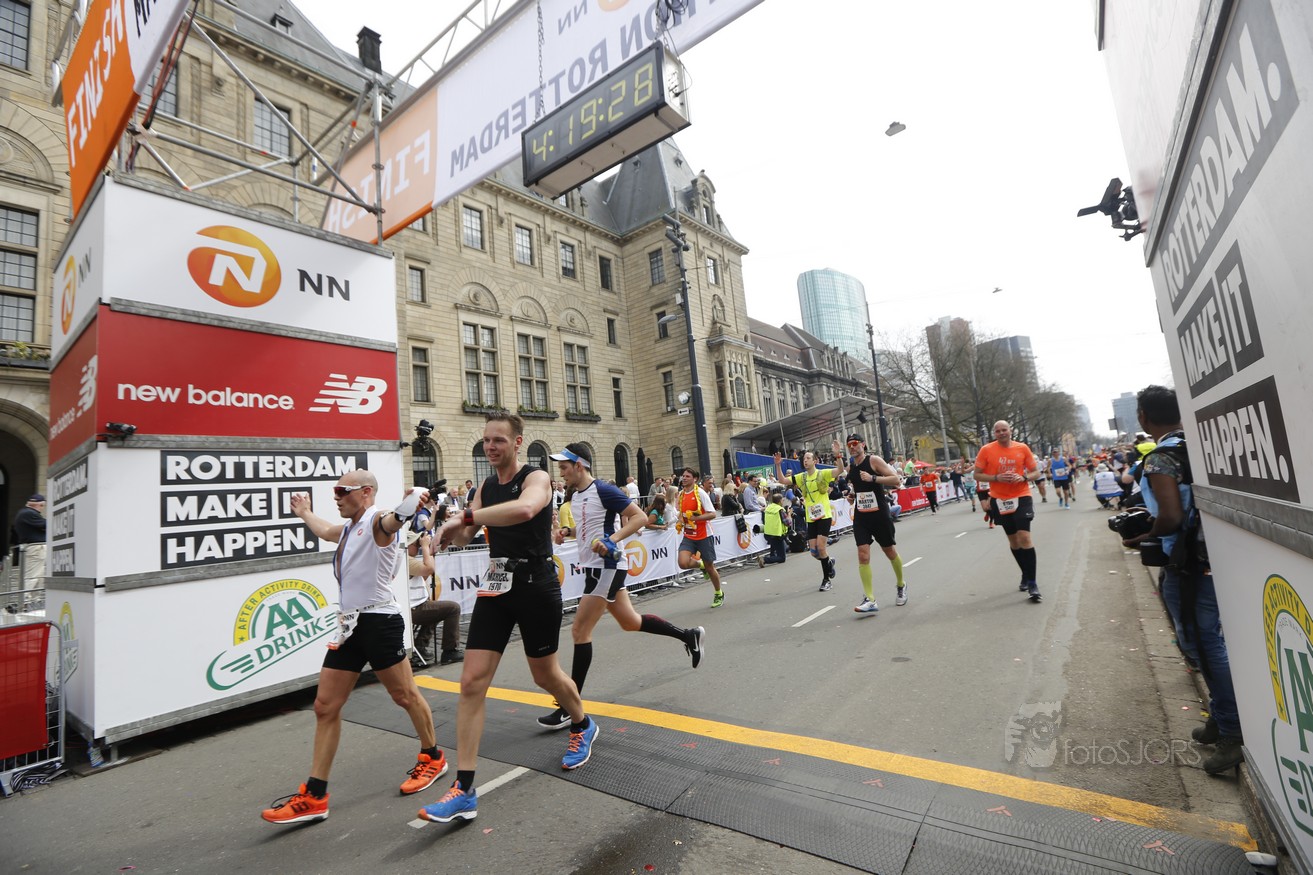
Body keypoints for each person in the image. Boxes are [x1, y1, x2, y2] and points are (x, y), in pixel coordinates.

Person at [419, 414, 598, 824]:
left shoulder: (536, 477)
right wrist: (442, 527)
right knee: (471, 682)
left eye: (499, 440)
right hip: (496, 585)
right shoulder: (485, 487)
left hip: (536, 584)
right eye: (486, 440)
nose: (490, 446)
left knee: (545, 675)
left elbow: (525, 510)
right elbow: (466, 536)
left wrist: (467, 518)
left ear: (517, 442)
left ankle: (582, 723)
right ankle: (464, 789)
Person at [261, 474, 445, 825]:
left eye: (341, 491)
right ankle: (315, 795)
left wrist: (413, 501)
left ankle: (432, 757)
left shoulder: (377, 521)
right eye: (335, 492)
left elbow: (396, 519)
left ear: (365, 492)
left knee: (405, 695)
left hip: (379, 622)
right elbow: (324, 530)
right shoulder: (349, 529)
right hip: (350, 625)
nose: (336, 497)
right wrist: (304, 512)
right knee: (325, 706)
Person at [536, 444, 705, 730]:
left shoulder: (603, 489)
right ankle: (688, 635)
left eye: (564, 467)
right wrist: (567, 531)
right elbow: (589, 529)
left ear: (579, 465)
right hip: (595, 567)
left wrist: (612, 540)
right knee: (630, 622)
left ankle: (569, 706)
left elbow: (640, 517)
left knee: (579, 631)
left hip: (608, 567)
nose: (560, 473)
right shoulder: (577, 495)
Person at [1124, 385, 1240, 774]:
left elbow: (1171, 517)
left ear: (1143, 417)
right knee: (1210, 641)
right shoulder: (1200, 446)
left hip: (1189, 562)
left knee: (1202, 645)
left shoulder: (1161, 458)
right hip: (1219, 554)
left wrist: (1145, 534)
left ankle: (1232, 732)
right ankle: (1220, 718)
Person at [834, 435, 906, 612]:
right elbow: (858, 487)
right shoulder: (852, 467)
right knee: (863, 554)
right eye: (849, 445)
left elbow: (896, 480)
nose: (852, 447)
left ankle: (901, 584)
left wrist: (873, 478)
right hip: (861, 516)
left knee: (889, 551)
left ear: (863, 444)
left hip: (879, 514)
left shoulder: (873, 460)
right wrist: (852, 496)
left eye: (855, 444)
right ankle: (870, 598)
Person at [974, 421, 1043, 602]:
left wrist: (1024, 477)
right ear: (994, 433)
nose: (1001, 433)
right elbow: (977, 474)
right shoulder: (986, 450)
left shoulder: (1022, 448)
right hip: (1000, 499)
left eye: (1004, 430)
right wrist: (996, 478)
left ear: (1010, 431)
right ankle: (1025, 573)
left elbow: (1036, 472)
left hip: (1022, 495)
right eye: (998, 431)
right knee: (1014, 540)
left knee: (1024, 537)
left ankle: (1033, 583)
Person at [774, 449, 838, 591]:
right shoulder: (801, 477)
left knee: (821, 548)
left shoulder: (822, 474)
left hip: (824, 516)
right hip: (811, 517)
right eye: (804, 459)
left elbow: (839, 470)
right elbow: (782, 480)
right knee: (814, 552)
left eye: (808, 458)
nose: (805, 460)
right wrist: (778, 465)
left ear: (815, 461)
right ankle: (828, 562)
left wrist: (838, 455)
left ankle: (826, 580)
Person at [406, 528, 464, 668]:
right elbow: (429, 569)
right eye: (416, 544)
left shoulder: (407, 560)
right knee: (453, 608)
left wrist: (430, 551)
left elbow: (424, 575)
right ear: (408, 546)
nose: (419, 547)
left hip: (415, 605)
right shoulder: (406, 560)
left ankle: (420, 646)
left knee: (436, 609)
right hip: (412, 608)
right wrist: (426, 547)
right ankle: (450, 651)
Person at [674, 467, 724, 607]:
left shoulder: (700, 493)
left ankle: (719, 593)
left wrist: (695, 519)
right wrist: (680, 521)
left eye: (687, 476)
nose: (684, 478)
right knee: (682, 563)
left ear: (695, 479)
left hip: (704, 535)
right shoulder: (681, 494)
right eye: (683, 476)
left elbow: (712, 514)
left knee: (710, 567)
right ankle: (700, 565)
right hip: (689, 536)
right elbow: (681, 514)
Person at [12, 493, 47, 587]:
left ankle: (32, 596)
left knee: (38, 577)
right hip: (35, 549)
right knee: (32, 576)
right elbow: (47, 524)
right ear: (40, 505)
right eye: (42, 506)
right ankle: (26, 596)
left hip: (33, 548)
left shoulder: (24, 513)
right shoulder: (29, 513)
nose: (42, 508)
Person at [762, 492, 790, 564]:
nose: (783, 501)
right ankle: (764, 560)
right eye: (782, 500)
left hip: (768, 533)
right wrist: (789, 514)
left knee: (774, 548)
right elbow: (788, 523)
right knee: (782, 558)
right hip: (777, 534)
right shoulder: (780, 509)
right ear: (780, 501)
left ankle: (771, 556)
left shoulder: (768, 508)